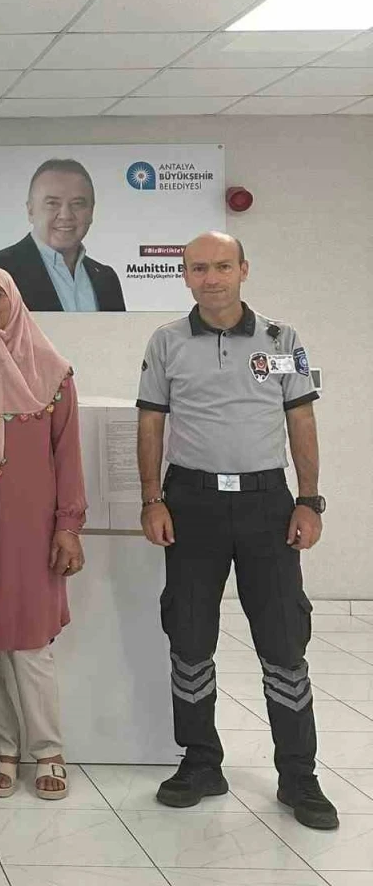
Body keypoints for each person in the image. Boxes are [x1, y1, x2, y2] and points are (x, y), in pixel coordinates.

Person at [136, 231, 336, 830]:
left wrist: (309, 501)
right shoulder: (166, 342)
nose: (211, 278)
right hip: (190, 504)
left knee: (283, 638)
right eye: (199, 268)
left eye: (222, 266)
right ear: (185, 275)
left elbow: (301, 418)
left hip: (266, 506)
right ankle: (200, 762)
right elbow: (150, 425)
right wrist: (152, 499)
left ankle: (298, 775)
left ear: (243, 269)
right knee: (189, 635)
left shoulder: (282, 340)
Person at [0, 265, 86, 801]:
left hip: (31, 527)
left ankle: (48, 750)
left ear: (14, 300)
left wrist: (68, 526)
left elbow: (68, 457)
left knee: (30, 642)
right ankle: (2, 748)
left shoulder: (53, 372)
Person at [0, 158, 125, 312]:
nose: (65, 215)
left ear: (91, 212)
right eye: (52, 203)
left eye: (77, 204)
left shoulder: (107, 279)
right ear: (30, 211)